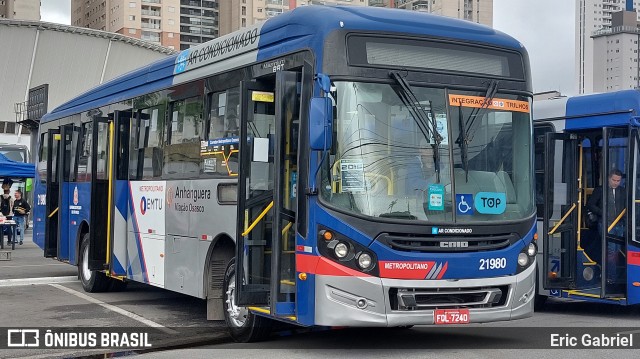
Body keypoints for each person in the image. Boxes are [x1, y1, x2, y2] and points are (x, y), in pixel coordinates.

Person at [586, 169, 626, 237]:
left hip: (620, 224)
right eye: (614, 180)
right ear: (609, 178)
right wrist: (602, 212)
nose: (616, 183)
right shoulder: (600, 190)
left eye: (618, 181)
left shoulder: (623, 191)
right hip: (605, 223)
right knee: (610, 246)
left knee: (619, 246)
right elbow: (590, 204)